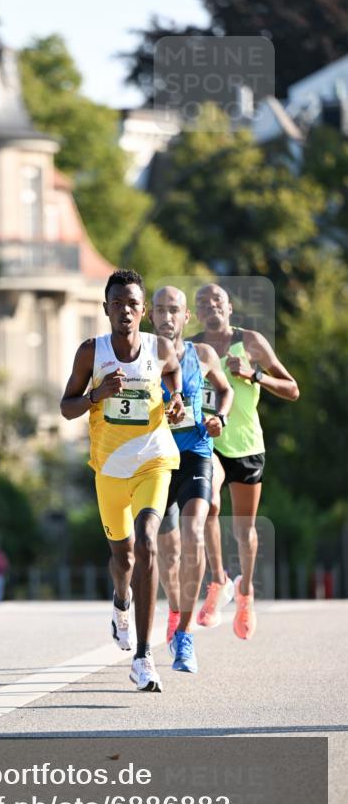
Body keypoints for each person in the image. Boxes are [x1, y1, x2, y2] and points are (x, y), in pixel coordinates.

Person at [60, 269, 185, 693]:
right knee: (124, 559)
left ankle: (144, 657)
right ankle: (121, 602)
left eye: (133, 304)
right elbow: (66, 407)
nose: (125, 311)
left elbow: (173, 373)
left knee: (148, 542)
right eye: (118, 304)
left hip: (154, 459)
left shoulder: (159, 347)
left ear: (143, 310)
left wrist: (176, 399)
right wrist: (97, 395)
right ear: (106, 309)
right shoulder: (90, 353)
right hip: (110, 469)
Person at [192, 284, 299, 639]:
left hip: (247, 445)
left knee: (244, 529)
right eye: (203, 302)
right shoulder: (193, 349)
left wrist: (254, 375)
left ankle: (245, 591)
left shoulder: (250, 342)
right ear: (197, 313)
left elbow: (292, 388)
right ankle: (218, 581)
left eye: (217, 301)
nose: (211, 306)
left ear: (229, 308)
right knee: (209, 502)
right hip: (209, 440)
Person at [150, 286, 234, 673]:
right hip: (157, 460)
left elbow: (225, 390)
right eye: (160, 310)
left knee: (194, 533)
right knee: (167, 555)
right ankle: (175, 611)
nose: (167, 317)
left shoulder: (203, 355)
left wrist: (220, 418)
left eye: (174, 310)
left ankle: (184, 634)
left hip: (197, 454)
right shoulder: (140, 355)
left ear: (186, 317)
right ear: (150, 315)